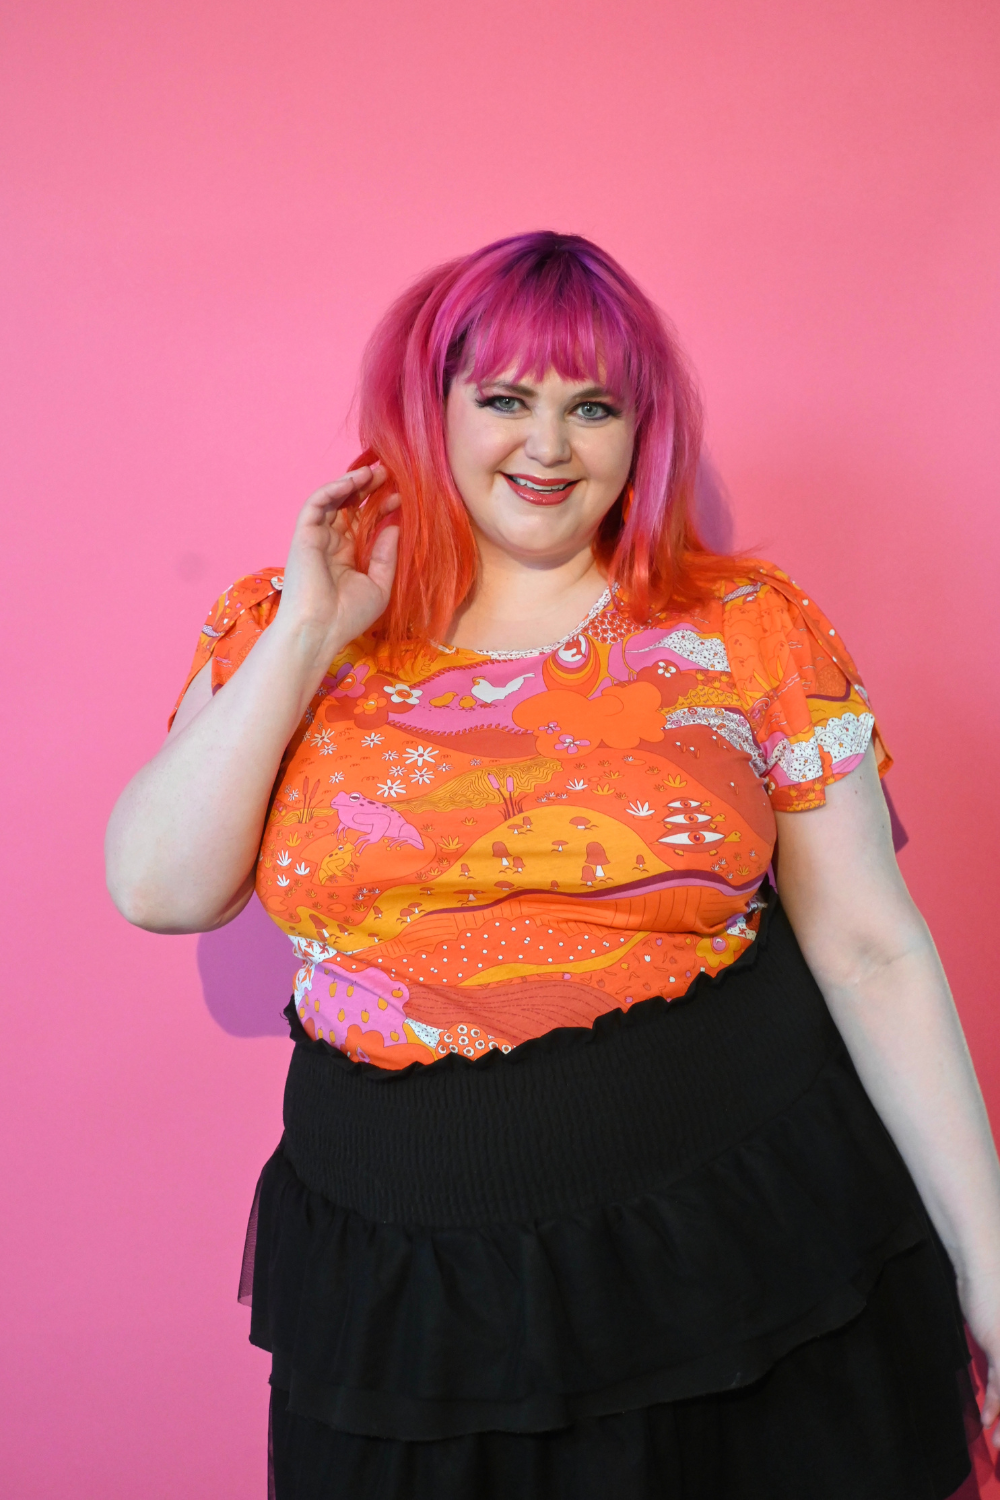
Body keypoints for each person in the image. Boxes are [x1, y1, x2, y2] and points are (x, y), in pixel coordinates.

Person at [105, 231, 1000, 1499]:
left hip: (739, 1255)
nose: (549, 446)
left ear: (643, 432)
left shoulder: (742, 626)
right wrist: (314, 629)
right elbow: (160, 889)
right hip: (405, 1287)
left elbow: (870, 946)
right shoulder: (289, 621)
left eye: (593, 407)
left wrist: (994, 1267)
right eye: (506, 400)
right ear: (433, 407)